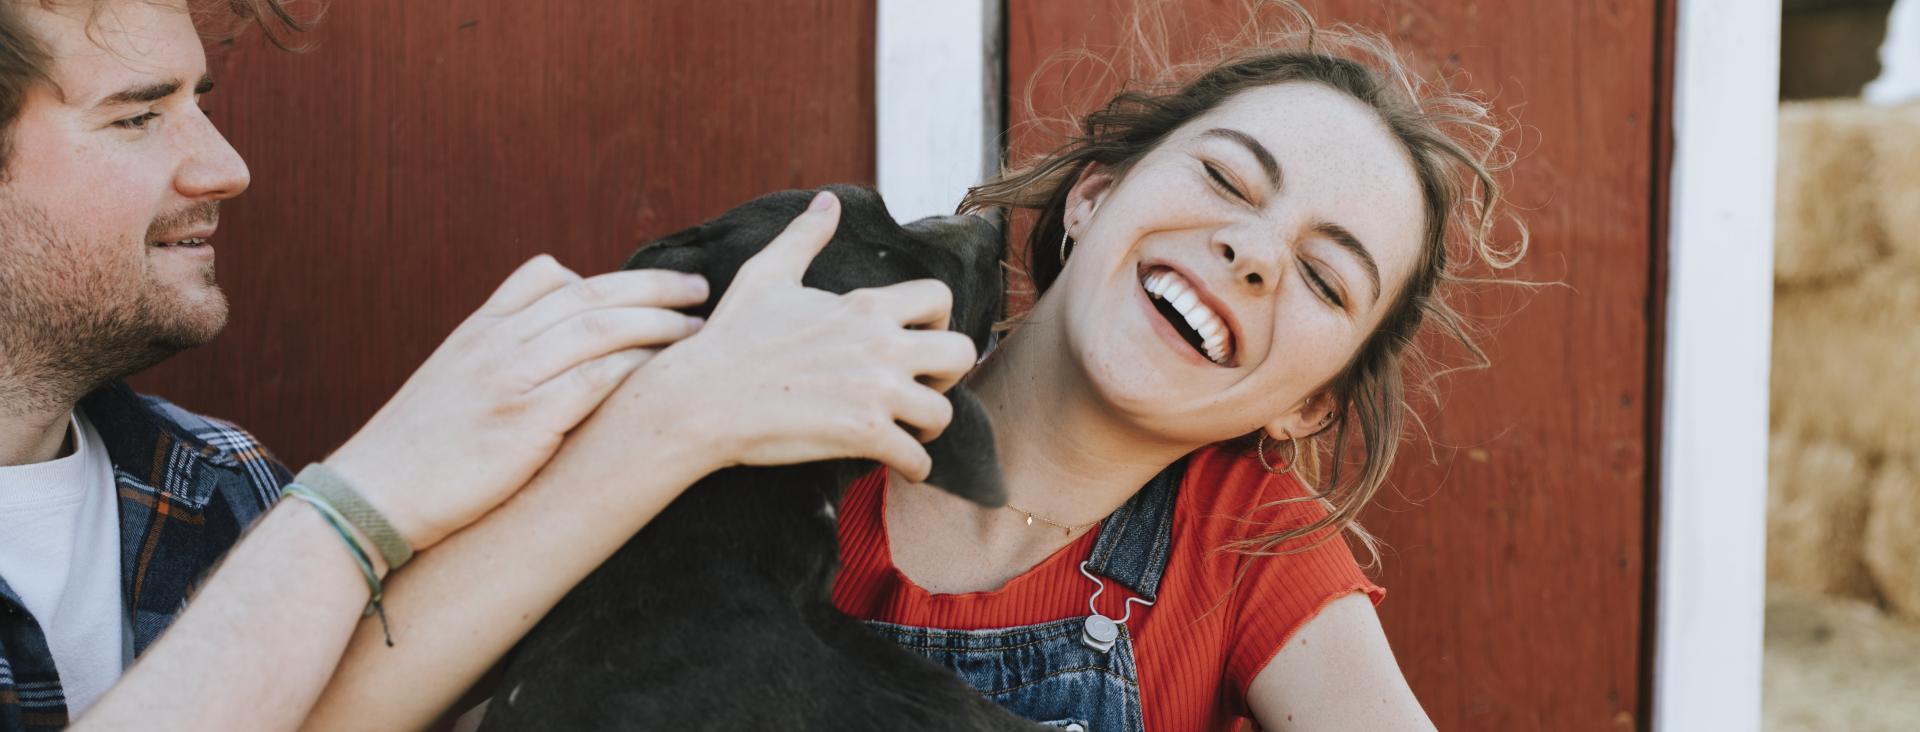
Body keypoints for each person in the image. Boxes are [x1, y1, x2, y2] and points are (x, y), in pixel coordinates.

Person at [0, 1, 974, 730]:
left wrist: (673, 419)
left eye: (196, 103)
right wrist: (370, 488)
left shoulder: (212, 480)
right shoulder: (295, 513)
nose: (225, 166)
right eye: (138, 117)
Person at [826, 8, 1525, 732]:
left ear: (1311, 404)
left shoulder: (1250, 546)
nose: (1253, 254)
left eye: (1323, 278)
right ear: (1093, 198)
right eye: (1226, 178)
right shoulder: (813, 382)